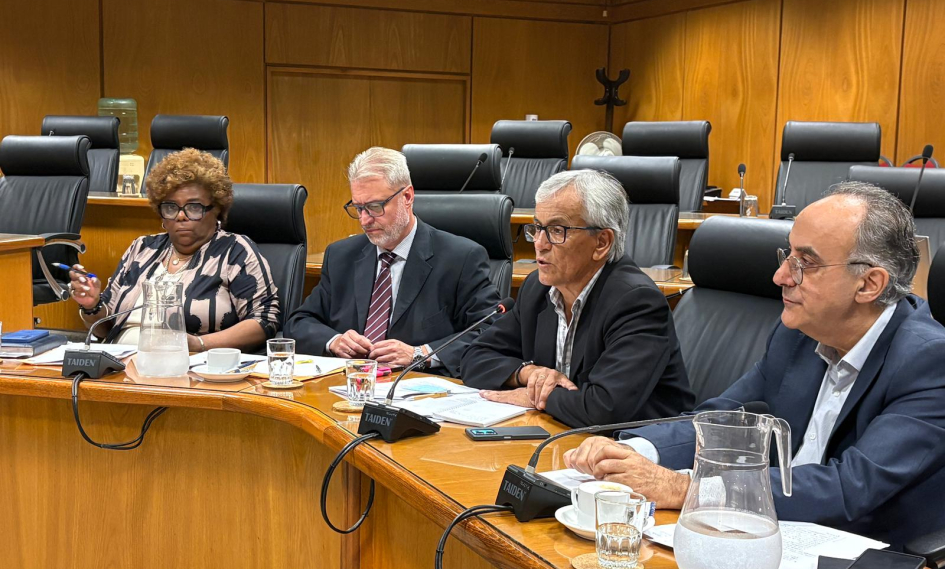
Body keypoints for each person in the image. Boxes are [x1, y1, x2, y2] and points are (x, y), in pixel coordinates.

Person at [563, 182, 945, 547]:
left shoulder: (928, 361)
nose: (780, 276)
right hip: (772, 532)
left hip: (871, 562)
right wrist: (639, 452)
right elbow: (721, 418)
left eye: (805, 264)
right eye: (787, 257)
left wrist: (685, 488)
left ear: (868, 284)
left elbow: (851, 487)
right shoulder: (796, 334)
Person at [460, 169, 694, 428]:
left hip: (636, 450)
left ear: (601, 243)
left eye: (556, 230)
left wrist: (538, 396)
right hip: (560, 434)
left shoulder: (637, 303)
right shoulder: (537, 289)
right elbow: (474, 358)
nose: (539, 243)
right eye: (537, 228)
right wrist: (530, 373)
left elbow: (604, 408)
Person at [283, 147, 500, 376]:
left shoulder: (461, 258)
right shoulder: (341, 256)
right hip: (348, 386)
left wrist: (420, 354)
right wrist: (334, 340)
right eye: (358, 208)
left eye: (375, 207)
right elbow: (299, 321)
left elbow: (490, 328)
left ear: (407, 197)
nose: (365, 220)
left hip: (420, 390)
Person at [68, 149, 281, 351]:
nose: (181, 216)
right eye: (171, 207)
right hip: (120, 364)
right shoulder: (142, 248)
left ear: (216, 209)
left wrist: (198, 344)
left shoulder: (234, 251)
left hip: (192, 369)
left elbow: (264, 321)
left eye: (194, 207)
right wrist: (92, 305)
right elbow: (106, 327)